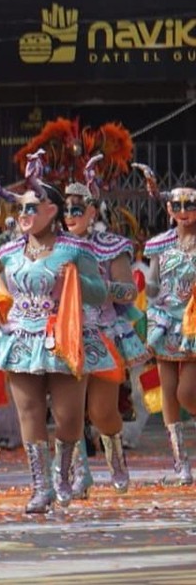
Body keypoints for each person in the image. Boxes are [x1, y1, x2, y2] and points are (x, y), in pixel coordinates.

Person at [0, 151, 110, 513]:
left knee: (69, 417)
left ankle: (62, 473)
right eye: (20, 209)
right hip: (22, 338)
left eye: (31, 208)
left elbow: (101, 293)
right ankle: (40, 486)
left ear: (52, 211)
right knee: (29, 412)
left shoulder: (75, 249)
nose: (23, 216)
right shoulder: (6, 252)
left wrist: (75, 280)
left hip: (64, 337)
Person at [62, 158, 150, 497]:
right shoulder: (54, 248)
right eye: (65, 210)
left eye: (77, 209)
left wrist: (98, 289)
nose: (70, 216)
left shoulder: (111, 247)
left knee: (101, 413)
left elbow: (129, 291)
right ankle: (75, 475)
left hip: (103, 334)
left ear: (92, 212)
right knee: (68, 414)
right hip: (65, 336)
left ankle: (115, 458)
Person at [139, 164, 196, 485]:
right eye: (178, 206)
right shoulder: (160, 243)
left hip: (193, 322)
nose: (184, 211)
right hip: (164, 319)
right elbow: (153, 281)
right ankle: (181, 464)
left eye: (190, 205)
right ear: (168, 209)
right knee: (169, 395)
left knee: (189, 392)